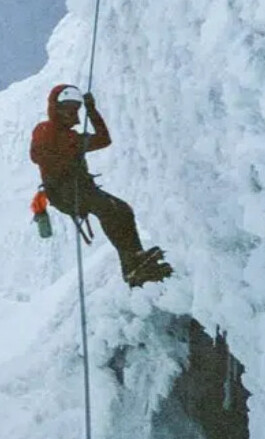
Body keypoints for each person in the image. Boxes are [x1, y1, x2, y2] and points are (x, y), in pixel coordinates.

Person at [29, 84, 172, 287]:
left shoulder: (72, 137)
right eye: (67, 106)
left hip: (78, 190)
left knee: (122, 210)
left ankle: (135, 260)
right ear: (56, 107)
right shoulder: (46, 130)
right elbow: (38, 155)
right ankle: (132, 266)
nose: (71, 111)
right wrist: (70, 150)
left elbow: (104, 140)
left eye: (75, 107)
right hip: (64, 192)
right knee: (110, 210)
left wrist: (92, 112)